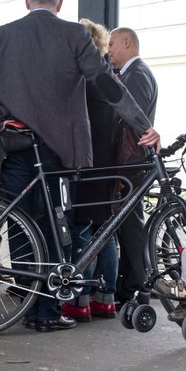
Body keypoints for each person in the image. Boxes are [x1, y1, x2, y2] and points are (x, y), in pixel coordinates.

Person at [0, 0, 161, 332]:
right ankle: (48, 312)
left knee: (20, 225)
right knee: (56, 228)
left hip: (14, 145)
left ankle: (25, 303)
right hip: (59, 149)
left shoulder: (1, 35)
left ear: (27, 1)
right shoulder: (73, 34)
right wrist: (141, 124)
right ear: (60, 3)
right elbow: (106, 83)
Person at [61, 19, 120, 322]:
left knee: (81, 227)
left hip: (84, 161)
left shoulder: (81, 80)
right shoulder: (108, 76)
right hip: (108, 164)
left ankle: (79, 299)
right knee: (106, 230)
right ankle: (106, 298)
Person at [106, 27, 158, 305]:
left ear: (127, 42)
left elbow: (131, 120)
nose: (109, 49)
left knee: (130, 225)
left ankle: (136, 287)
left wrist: (121, 165)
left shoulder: (136, 75)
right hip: (133, 160)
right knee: (129, 224)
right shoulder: (135, 72)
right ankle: (131, 284)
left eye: (112, 43)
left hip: (130, 161)